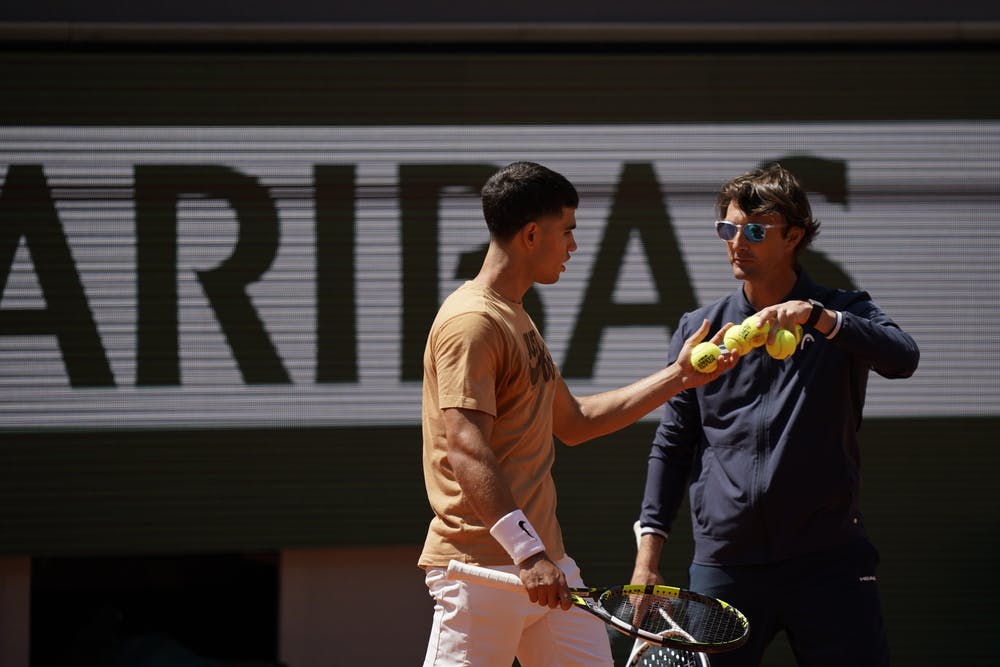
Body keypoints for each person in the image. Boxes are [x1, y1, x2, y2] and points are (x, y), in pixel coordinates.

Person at [418, 161, 739, 667]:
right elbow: (465, 446)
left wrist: (679, 377)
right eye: (566, 232)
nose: (573, 246)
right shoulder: (472, 322)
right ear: (530, 235)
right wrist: (527, 554)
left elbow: (576, 422)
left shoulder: (515, 316)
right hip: (482, 571)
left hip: (549, 569)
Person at [631, 163, 920, 666]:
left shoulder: (840, 312)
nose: (736, 242)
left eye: (755, 230)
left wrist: (817, 317)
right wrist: (647, 557)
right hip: (726, 564)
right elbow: (673, 445)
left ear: (794, 236)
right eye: (728, 228)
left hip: (829, 562)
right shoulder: (699, 329)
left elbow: (903, 357)